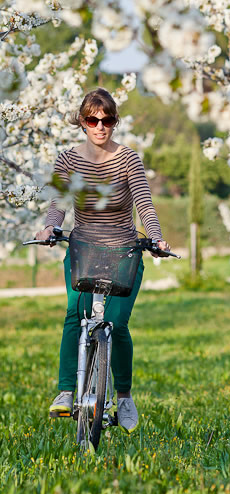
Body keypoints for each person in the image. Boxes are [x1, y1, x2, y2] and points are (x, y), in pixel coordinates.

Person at [35, 88, 170, 434]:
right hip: (84, 250)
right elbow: (59, 202)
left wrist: (154, 236)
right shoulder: (67, 160)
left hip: (124, 251)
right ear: (82, 122)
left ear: (114, 122)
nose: (100, 126)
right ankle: (67, 390)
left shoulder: (128, 159)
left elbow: (144, 203)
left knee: (118, 322)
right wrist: (51, 226)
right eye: (93, 120)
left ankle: (123, 395)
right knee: (73, 313)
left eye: (107, 120)